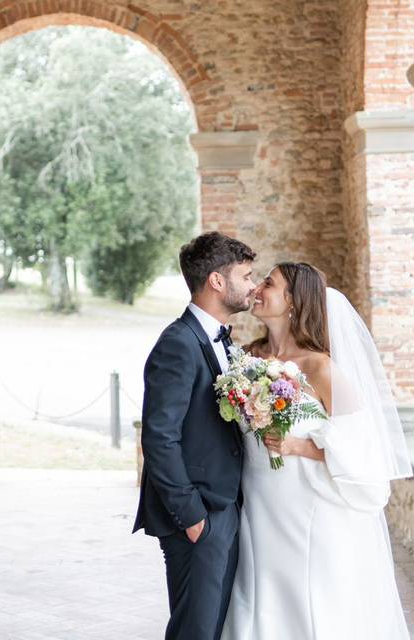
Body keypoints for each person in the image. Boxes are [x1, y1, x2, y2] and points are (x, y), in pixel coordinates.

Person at [221, 262, 412, 640]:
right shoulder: (245, 359)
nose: (258, 288)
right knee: (260, 592)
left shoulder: (321, 368)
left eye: (269, 284)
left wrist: (298, 445)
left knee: (309, 596)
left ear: (293, 302)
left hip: (309, 505)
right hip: (258, 501)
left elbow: (363, 450)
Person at [133, 231, 257, 640]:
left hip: (224, 505)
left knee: (213, 628)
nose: (253, 285)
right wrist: (191, 517)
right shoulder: (179, 343)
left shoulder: (221, 339)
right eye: (246, 275)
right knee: (195, 631)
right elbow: (158, 437)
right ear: (217, 282)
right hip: (198, 513)